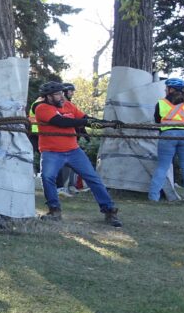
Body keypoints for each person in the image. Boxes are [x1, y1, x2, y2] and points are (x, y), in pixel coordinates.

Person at [33, 81, 122, 226]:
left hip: (74, 150)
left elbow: (86, 120)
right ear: (48, 96)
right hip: (51, 152)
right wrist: (83, 121)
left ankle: (109, 211)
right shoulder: (41, 108)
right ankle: (54, 210)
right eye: (57, 94)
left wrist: (108, 123)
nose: (61, 97)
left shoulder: (69, 105)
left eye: (62, 93)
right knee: (47, 178)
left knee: (93, 178)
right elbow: (61, 122)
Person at [148, 77, 184, 204]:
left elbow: (157, 120)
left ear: (170, 89)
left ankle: (153, 197)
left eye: (166, 88)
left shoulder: (161, 103)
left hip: (167, 135)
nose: (165, 89)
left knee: (162, 167)